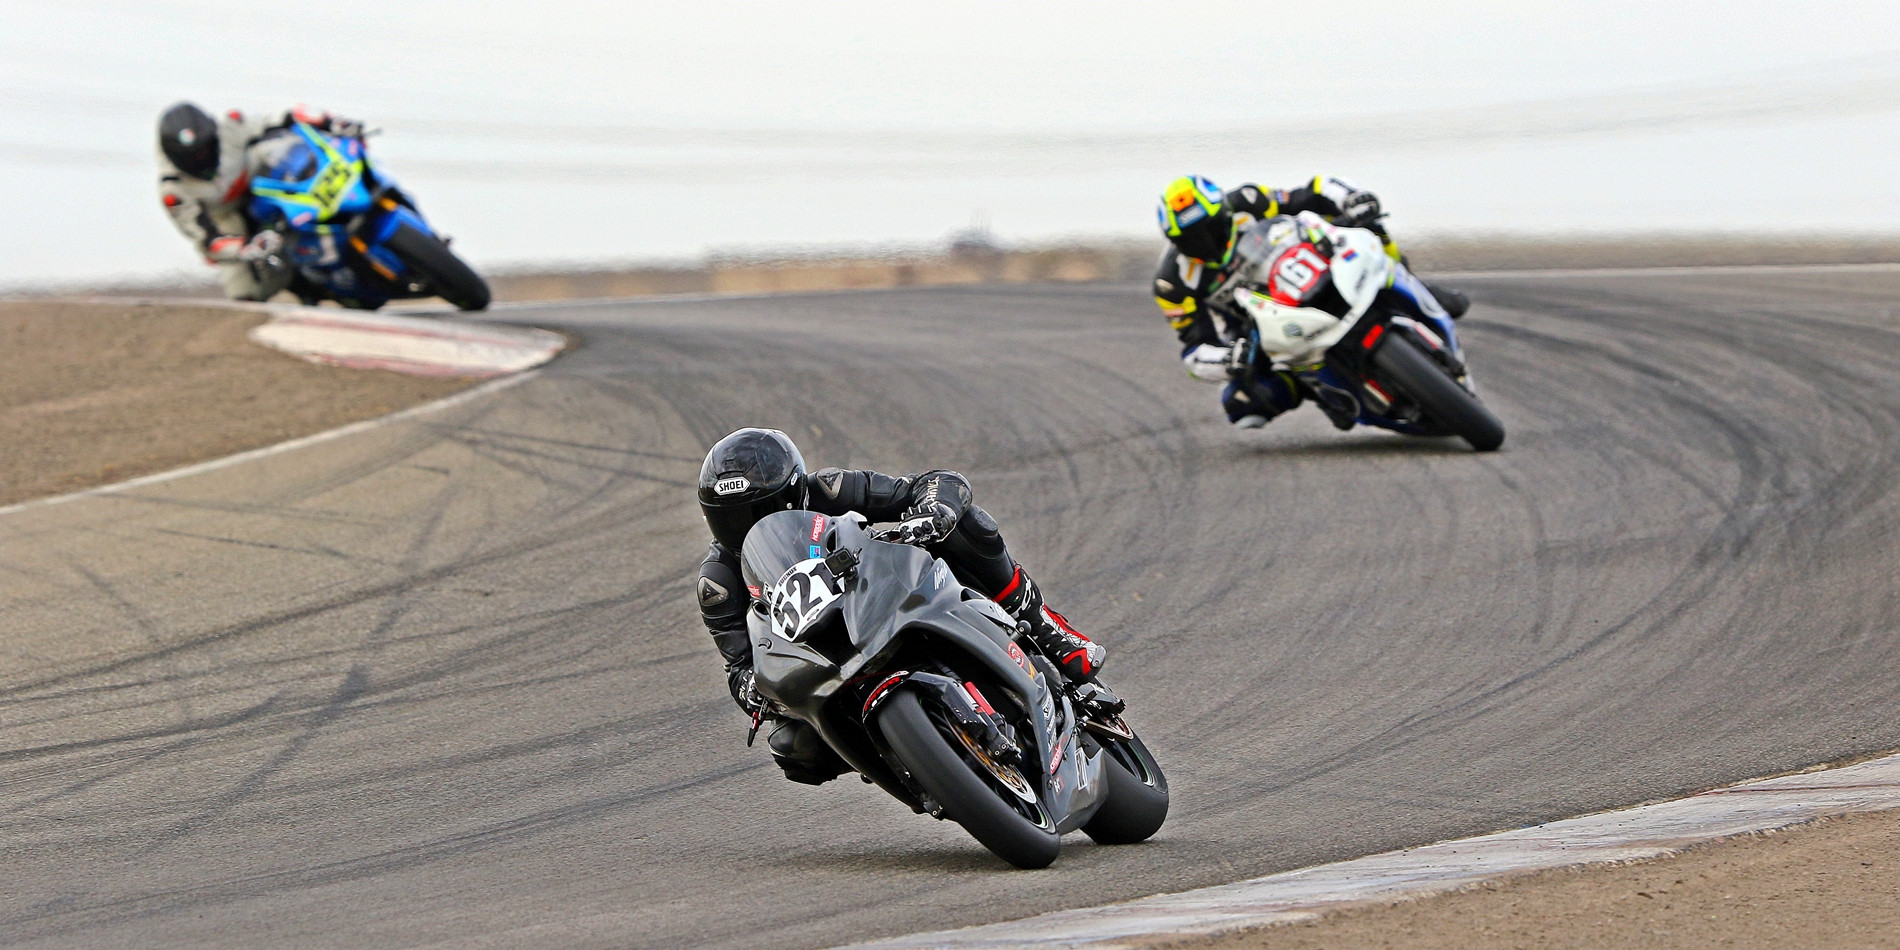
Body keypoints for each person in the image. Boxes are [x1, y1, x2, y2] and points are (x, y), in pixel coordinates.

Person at [694, 427, 1104, 785]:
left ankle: (1044, 625)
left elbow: (936, 483)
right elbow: (739, 666)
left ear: (795, 491)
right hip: (818, 658)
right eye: (734, 520)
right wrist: (753, 690)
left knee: (967, 526)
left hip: (878, 595)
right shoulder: (719, 584)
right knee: (793, 748)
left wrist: (934, 512)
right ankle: (913, 762)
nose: (749, 528)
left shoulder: (830, 490)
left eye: (764, 511)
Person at [1152, 174, 1469, 429]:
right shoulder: (1172, 284)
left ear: (1224, 213)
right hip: (1254, 324)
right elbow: (1194, 350)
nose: (1205, 244)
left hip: (1303, 268)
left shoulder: (1248, 201)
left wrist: (1352, 198)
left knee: (1367, 224)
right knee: (1242, 403)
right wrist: (1226, 359)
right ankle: (1315, 388)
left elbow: (1313, 192)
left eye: (1209, 230)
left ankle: (1411, 282)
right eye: (1190, 240)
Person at [155, 101, 361, 301]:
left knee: (282, 143)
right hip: (226, 214)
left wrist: (329, 121)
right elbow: (207, 241)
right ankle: (297, 281)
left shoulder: (231, 124)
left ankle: (340, 196)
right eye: (191, 157)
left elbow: (282, 117)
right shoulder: (172, 189)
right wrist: (246, 247)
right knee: (244, 294)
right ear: (173, 157)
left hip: (262, 178)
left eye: (206, 149)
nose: (201, 158)